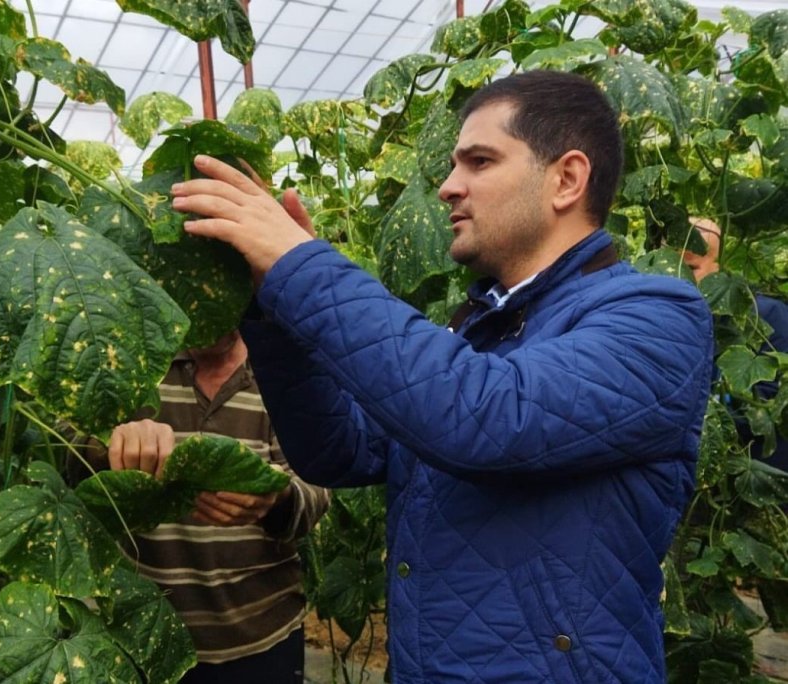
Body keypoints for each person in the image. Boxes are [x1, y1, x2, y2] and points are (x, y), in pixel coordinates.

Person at [171, 70, 714, 682]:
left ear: (566, 179)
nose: (448, 188)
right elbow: (339, 449)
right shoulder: (477, 328)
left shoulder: (656, 318)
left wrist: (301, 264)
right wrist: (273, 307)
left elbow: (486, 417)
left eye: (479, 161)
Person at [78, 330, 330, 684]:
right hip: (145, 635)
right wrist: (109, 441)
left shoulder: (281, 370)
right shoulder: (139, 359)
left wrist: (276, 500)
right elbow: (66, 440)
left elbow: (318, 487)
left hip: (261, 635)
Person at [683, 217, 788, 469]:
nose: (679, 277)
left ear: (721, 264)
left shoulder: (764, 316)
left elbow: (771, 409)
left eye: (691, 268)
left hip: (761, 473)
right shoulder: (663, 321)